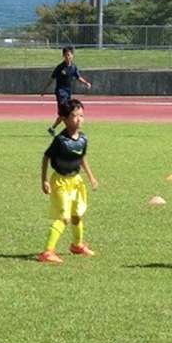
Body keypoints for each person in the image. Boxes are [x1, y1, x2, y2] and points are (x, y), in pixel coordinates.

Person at [38, 99, 99, 264]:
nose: (79, 119)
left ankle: (77, 245)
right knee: (64, 217)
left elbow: (82, 158)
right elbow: (46, 157)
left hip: (76, 181)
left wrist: (91, 177)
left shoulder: (83, 139)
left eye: (82, 115)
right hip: (61, 182)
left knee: (77, 215)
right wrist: (44, 180)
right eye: (75, 116)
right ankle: (47, 252)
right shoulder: (60, 140)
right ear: (64, 118)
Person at [40, 45, 91, 136]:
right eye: (67, 55)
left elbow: (78, 77)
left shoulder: (74, 67)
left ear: (72, 55)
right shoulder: (60, 67)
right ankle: (69, 129)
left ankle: (53, 128)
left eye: (70, 54)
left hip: (68, 92)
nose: (69, 56)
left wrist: (86, 83)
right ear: (64, 56)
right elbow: (52, 78)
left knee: (64, 112)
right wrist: (44, 89)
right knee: (65, 111)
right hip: (60, 92)